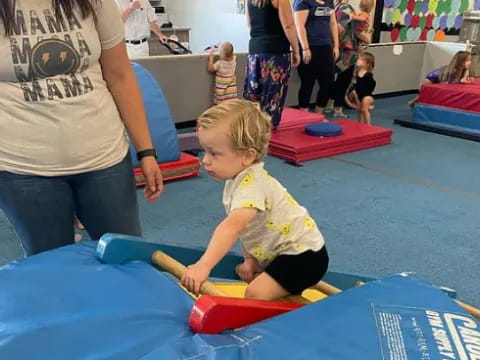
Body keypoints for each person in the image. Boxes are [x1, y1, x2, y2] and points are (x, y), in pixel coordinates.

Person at [0, 0, 163, 256]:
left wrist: (146, 151)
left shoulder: (94, 2)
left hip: (103, 156)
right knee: (52, 267)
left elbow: (120, 74)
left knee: (126, 256)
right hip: (24, 168)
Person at [181, 100, 329, 300]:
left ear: (247, 156)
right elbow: (249, 228)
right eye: (204, 151)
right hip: (281, 255)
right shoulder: (238, 179)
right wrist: (250, 259)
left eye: (214, 153)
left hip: (304, 257)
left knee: (254, 293)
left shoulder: (252, 186)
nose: (205, 160)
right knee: (257, 285)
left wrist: (203, 266)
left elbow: (232, 227)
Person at [243, 0, 301, 129]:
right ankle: (266, 135)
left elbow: (250, 25)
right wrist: (296, 50)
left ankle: (252, 132)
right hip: (275, 52)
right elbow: (288, 25)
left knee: (254, 96)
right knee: (272, 98)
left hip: (255, 52)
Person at [293, 0, 339, 114]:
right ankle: (303, 115)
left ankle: (318, 115)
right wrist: (305, 48)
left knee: (328, 83)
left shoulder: (329, 2)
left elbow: (333, 23)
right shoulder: (302, 2)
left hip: (326, 47)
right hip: (310, 47)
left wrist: (336, 46)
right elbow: (300, 26)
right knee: (308, 83)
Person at [328, 0, 366, 118]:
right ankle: (337, 108)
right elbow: (353, 30)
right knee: (343, 81)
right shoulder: (346, 8)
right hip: (347, 51)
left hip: (337, 48)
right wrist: (367, 39)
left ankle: (330, 104)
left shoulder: (335, 7)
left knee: (337, 79)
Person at [345, 52, 376, 125]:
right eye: (359, 59)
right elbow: (356, 84)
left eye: (361, 60)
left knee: (364, 110)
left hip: (367, 96)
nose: (358, 61)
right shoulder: (357, 72)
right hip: (359, 94)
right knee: (359, 110)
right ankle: (360, 124)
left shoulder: (368, 74)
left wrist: (366, 93)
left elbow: (373, 84)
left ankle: (368, 125)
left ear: (367, 64)